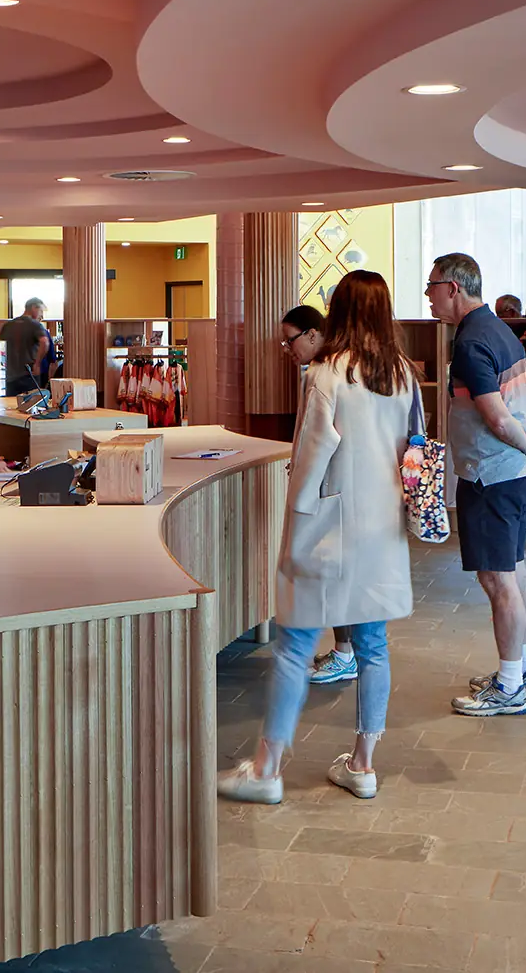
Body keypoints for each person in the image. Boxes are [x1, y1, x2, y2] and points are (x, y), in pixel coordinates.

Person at [218, 271, 416, 803]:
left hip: (328, 528)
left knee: (294, 646)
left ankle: (266, 770)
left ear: (339, 312)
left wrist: (296, 521)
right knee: (373, 646)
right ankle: (363, 764)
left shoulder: (327, 373)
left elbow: (311, 455)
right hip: (381, 528)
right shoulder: (401, 373)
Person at [424, 253, 526, 717]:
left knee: (499, 580)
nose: (428, 297)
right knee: (515, 573)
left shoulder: (471, 342)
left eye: (431, 287)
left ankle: (509, 687)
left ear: (452, 288)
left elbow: (499, 419)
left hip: (491, 475)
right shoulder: (500, 331)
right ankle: (524, 672)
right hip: (515, 474)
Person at [281, 305, 361, 687]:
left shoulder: (321, 373)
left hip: (330, 488)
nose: (287, 349)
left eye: (290, 340)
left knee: (331, 573)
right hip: (351, 485)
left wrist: (300, 490)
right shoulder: (348, 365)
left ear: (313, 334)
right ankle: (348, 651)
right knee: (341, 572)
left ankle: (346, 654)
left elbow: (317, 440)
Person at [2, 297, 50, 398]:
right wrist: (37, 364)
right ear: (33, 308)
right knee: (31, 404)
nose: (42, 316)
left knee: (10, 404)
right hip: (28, 375)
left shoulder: (8, 325)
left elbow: (1, 347)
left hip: (9, 376)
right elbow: (44, 342)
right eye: (41, 311)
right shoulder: (35, 325)